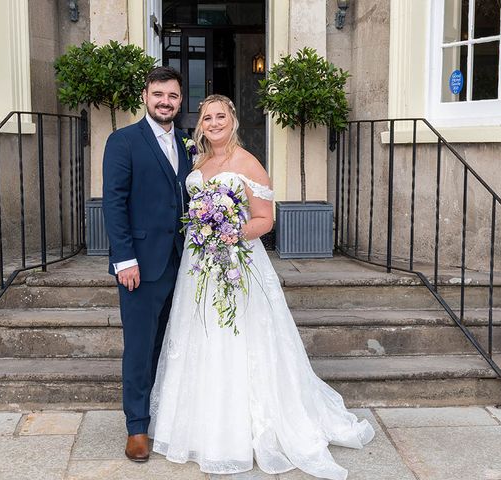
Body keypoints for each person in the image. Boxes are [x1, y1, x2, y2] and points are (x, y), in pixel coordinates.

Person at [149, 95, 375, 479]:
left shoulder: (247, 162)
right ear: (200, 124)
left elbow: (264, 219)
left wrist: (229, 233)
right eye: (207, 117)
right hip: (198, 263)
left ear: (233, 121)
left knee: (237, 337)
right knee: (198, 335)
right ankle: (202, 426)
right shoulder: (199, 162)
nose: (214, 123)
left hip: (237, 264)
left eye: (221, 116)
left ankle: (240, 431)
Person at [102, 66, 191, 462]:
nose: (165, 102)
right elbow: (114, 204)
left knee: (172, 345)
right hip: (140, 265)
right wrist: (124, 260)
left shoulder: (189, 143)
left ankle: (166, 417)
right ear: (145, 96)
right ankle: (137, 427)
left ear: (180, 100)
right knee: (139, 347)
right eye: (158, 95)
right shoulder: (123, 141)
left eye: (172, 96)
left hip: (185, 263)